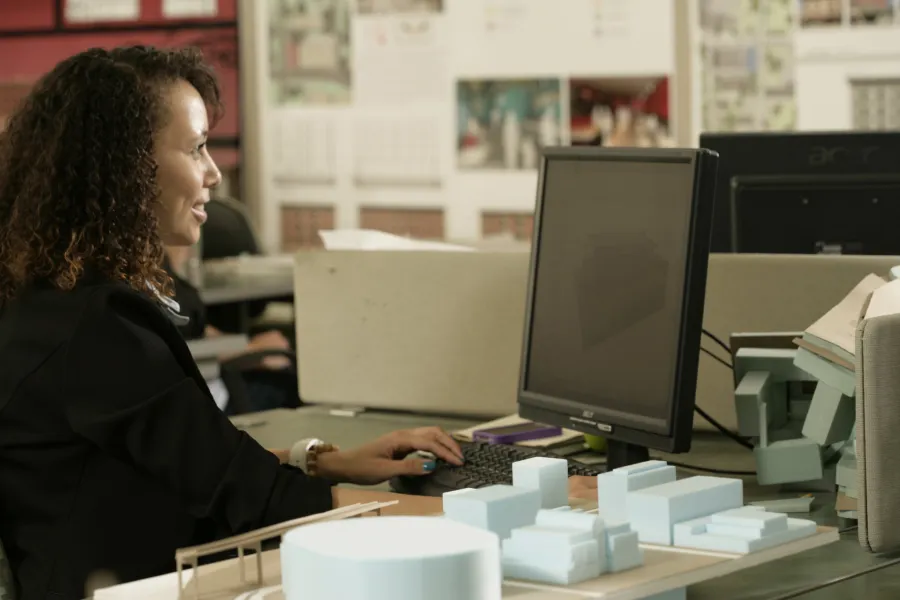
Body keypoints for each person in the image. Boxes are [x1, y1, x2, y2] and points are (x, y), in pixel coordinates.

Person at [0, 45, 596, 599]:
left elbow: (196, 464)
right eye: (196, 148)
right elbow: (265, 503)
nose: (213, 173)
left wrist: (324, 460)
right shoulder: (97, 329)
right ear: (127, 165)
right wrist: (510, 510)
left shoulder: (52, 302)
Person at [163, 244, 298, 414]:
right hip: (208, 399)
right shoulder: (148, 281)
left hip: (216, 379)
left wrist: (247, 345)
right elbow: (174, 350)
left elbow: (194, 328)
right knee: (294, 383)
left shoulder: (157, 265)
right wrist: (251, 350)